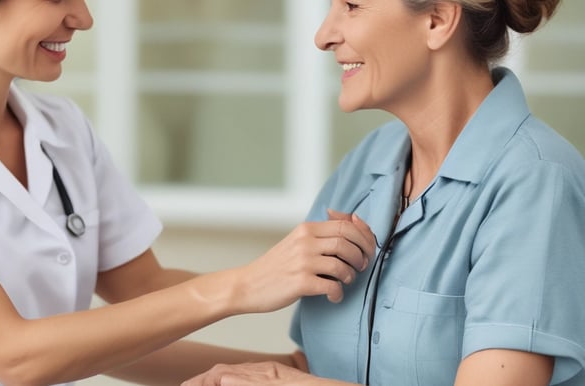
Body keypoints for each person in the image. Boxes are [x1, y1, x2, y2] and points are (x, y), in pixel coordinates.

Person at [0, 0, 379, 385]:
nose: (83, 17)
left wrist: (287, 367)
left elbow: (142, 299)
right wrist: (245, 285)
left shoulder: (63, 130)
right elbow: (12, 354)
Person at [182, 0, 585, 385]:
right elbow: (316, 367)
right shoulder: (369, 162)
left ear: (437, 20)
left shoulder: (535, 182)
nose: (323, 36)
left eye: (352, 6)